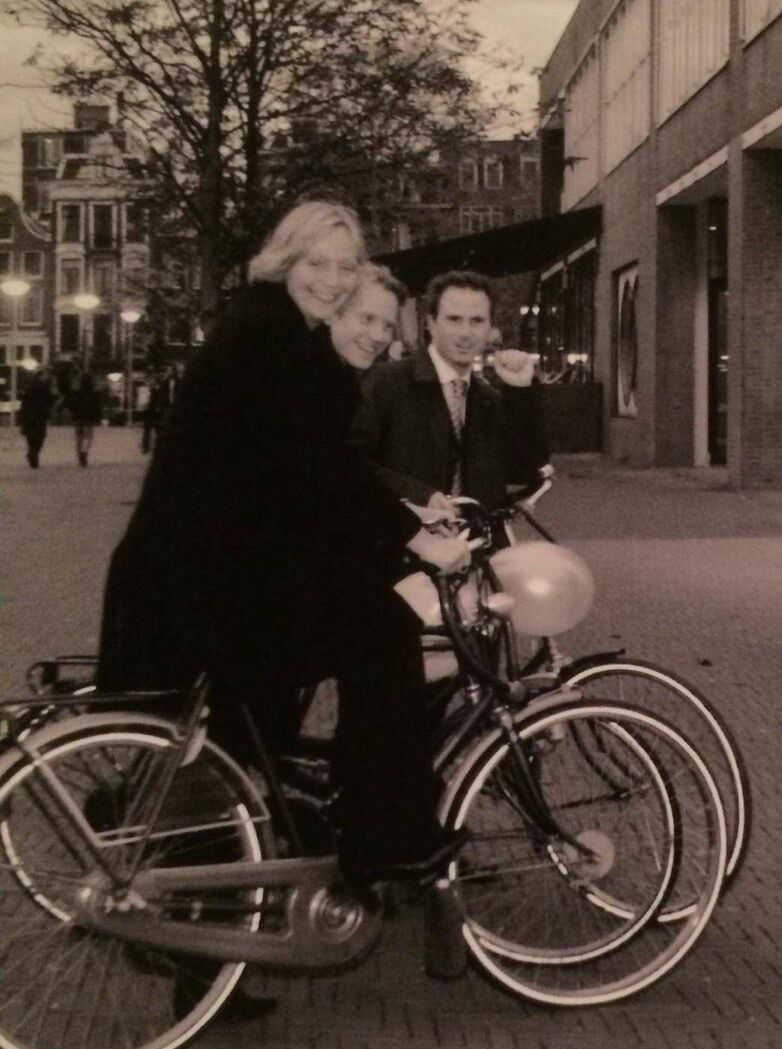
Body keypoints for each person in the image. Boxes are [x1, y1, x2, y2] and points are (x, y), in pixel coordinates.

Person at [96, 200, 471, 896]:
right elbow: (320, 472)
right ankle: (383, 840)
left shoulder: (270, 328)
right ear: (284, 260)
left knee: (246, 746)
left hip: (201, 578)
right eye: (316, 264)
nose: (330, 281)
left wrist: (383, 535)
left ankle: (205, 940)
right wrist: (417, 537)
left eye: (343, 267)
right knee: (383, 630)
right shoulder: (276, 341)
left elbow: (291, 483)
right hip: (203, 590)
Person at [349, 269, 548, 527]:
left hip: (474, 547)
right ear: (431, 323)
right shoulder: (387, 382)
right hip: (402, 544)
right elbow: (351, 464)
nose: (465, 333)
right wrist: (418, 495)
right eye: (454, 319)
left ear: (490, 328)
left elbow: (526, 471)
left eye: (477, 321)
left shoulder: (487, 398)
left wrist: (521, 393)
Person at [17, 364, 57, 468]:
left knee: (31, 438)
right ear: (41, 376)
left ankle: (32, 454)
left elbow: (24, 402)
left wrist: (21, 417)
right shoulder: (44, 387)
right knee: (40, 437)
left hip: (29, 416)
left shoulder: (29, 386)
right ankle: (33, 455)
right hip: (39, 416)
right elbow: (51, 399)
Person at [63, 361, 102, 466]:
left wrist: (72, 414)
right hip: (90, 418)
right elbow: (98, 407)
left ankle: (80, 453)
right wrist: (98, 418)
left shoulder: (77, 394)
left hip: (78, 418)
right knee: (88, 436)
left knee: (79, 437)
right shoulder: (94, 395)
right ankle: (85, 452)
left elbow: (71, 405)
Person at [141, 364, 178, 454]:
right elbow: (152, 392)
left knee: (159, 428)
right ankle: (146, 446)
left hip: (160, 408)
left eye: (166, 372)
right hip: (153, 407)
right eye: (164, 372)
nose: (164, 374)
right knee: (149, 427)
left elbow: (166, 396)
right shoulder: (159, 381)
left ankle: (158, 446)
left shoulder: (167, 382)